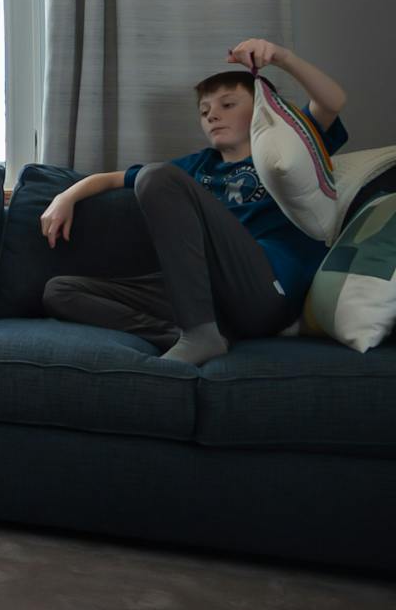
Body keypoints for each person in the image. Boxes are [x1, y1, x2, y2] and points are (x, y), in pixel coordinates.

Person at [40, 39, 349, 366]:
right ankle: (192, 334)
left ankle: (200, 335)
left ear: (261, 108)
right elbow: (111, 179)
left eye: (227, 105)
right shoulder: (199, 166)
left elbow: (332, 101)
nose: (213, 115)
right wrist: (66, 196)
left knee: (155, 176)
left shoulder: (286, 151)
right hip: (205, 300)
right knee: (59, 292)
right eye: (205, 111)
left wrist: (282, 58)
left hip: (264, 290)